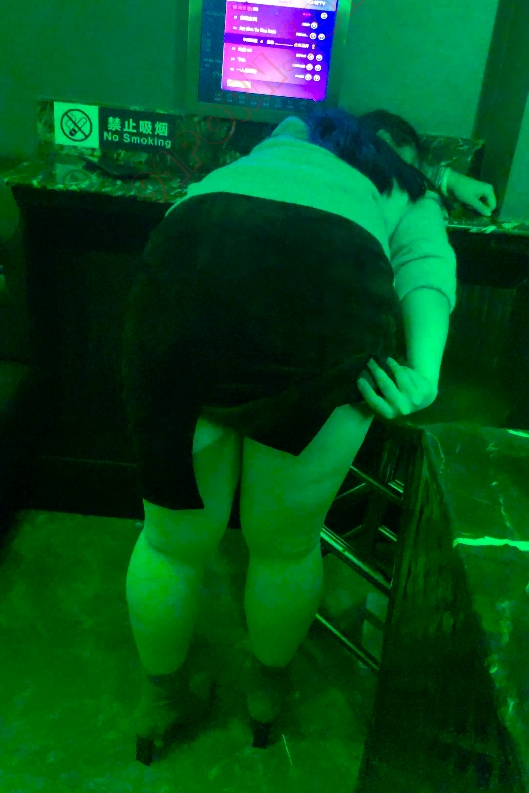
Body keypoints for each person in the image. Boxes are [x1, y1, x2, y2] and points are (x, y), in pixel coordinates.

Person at [120, 105, 498, 757]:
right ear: (406, 156)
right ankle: (265, 695)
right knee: (284, 547)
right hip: (327, 281)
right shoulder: (406, 188)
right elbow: (425, 261)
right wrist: (424, 372)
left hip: (189, 260)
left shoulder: (286, 137)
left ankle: (161, 700)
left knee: (170, 543)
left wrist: (436, 172)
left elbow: (363, 146)